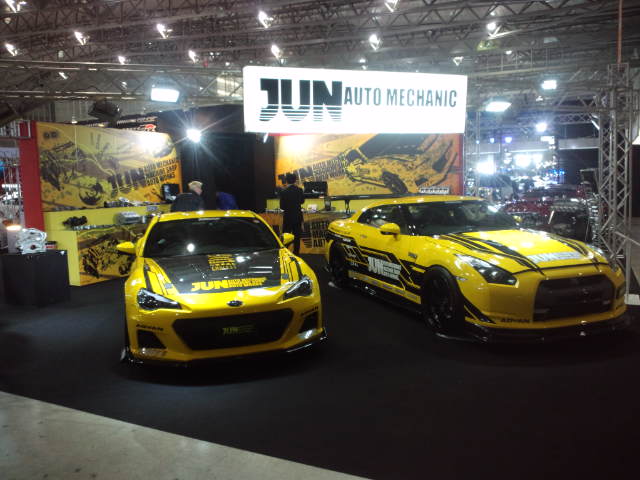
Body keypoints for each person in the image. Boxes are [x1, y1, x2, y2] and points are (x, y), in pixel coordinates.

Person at [279, 173, 305, 255]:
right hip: (297, 216)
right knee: (297, 236)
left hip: (288, 217)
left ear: (286, 180)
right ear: (295, 180)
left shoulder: (283, 191)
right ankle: (296, 254)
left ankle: (285, 253)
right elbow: (302, 201)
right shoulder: (300, 190)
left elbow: (282, 206)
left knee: (286, 236)